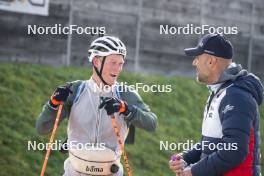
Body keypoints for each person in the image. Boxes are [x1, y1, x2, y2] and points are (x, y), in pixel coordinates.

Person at [36, 35, 158, 176]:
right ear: (96, 61)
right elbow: (42, 129)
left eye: (121, 63)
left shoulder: (125, 93)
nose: (117, 69)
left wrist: (126, 109)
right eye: (113, 62)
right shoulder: (75, 90)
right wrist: (53, 104)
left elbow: (152, 123)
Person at [169, 34, 263, 176]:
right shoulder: (221, 91)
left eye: (197, 58)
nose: (194, 63)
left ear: (211, 61)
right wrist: (185, 158)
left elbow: (234, 150)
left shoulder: (236, 96)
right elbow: (211, 144)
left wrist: (194, 171)